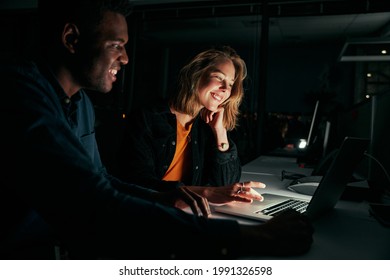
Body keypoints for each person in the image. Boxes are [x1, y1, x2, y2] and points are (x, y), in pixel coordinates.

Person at [0, 0, 313, 260]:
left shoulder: (80, 104)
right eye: (116, 45)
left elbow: (103, 181)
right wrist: (250, 237)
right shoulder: (20, 96)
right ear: (71, 39)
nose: (125, 57)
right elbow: (96, 202)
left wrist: (170, 197)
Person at [117, 46, 264, 205]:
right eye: (218, 77)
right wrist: (205, 193)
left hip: (189, 213)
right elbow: (138, 184)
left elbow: (225, 186)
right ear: (196, 75)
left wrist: (220, 133)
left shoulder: (208, 127)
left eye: (230, 84)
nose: (225, 89)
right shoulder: (146, 118)